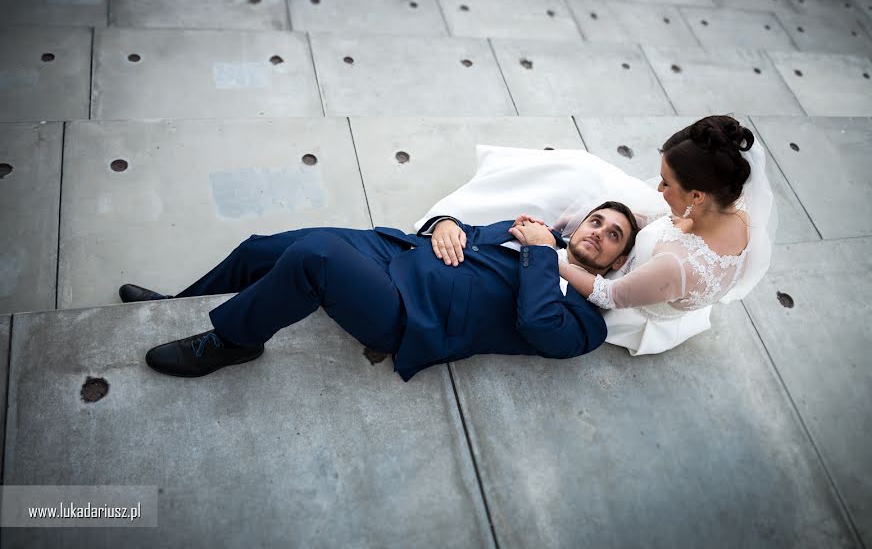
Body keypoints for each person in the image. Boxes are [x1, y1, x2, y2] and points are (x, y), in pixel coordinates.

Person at [123, 201, 639, 382]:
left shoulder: (587, 324)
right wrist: (444, 223)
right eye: (596, 220)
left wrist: (541, 254)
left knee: (313, 257)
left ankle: (235, 340)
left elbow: (536, 322)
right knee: (261, 248)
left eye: (611, 234)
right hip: (393, 252)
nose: (597, 231)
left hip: (407, 315)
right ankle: (175, 308)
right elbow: (463, 230)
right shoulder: (527, 231)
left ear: (616, 262)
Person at [548, 115, 777, 355]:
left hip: (635, 305)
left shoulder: (678, 263)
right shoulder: (729, 204)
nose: (658, 189)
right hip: (668, 281)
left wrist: (548, 253)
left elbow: (610, 296)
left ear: (697, 196)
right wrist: (590, 216)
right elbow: (664, 219)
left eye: (666, 183)